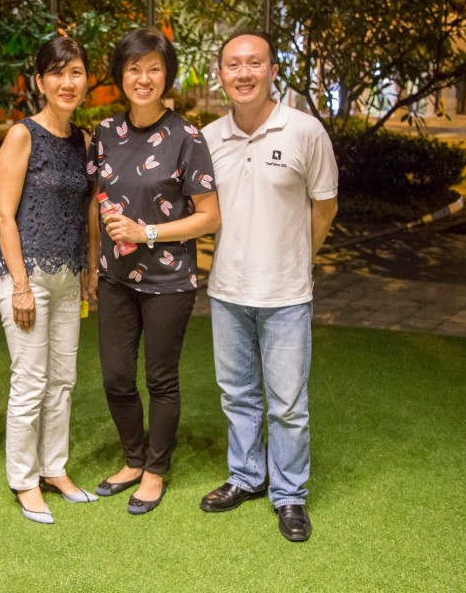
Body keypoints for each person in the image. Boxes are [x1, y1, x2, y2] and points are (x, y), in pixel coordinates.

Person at [199, 30, 338, 542]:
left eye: (254, 63)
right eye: (233, 65)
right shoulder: (208, 138)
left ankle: (290, 494)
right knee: (237, 395)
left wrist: (298, 258)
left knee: (287, 404)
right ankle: (246, 476)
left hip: (285, 295)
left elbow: (325, 206)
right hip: (227, 291)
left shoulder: (304, 131)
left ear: (273, 71)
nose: (244, 73)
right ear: (220, 75)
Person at [88, 28, 220, 515]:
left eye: (154, 69)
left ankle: (155, 470)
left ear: (167, 75)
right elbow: (95, 203)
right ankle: (133, 458)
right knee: (116, 377)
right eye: (133, 69)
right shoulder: (104, 133)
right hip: (114, 278)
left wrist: (146, 232)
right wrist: (93, 262)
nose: (143, 79)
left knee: (161, 379)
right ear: (120, 75)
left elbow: (209, 217)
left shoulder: (188, 137)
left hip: (168, 282)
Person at [0, 36, 99, 525]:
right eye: (57, 73)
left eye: (75, 72)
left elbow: (88, 211)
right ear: (40, 81)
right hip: (28, 275)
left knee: (63, 381)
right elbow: (3, 214)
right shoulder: (22, 135)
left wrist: (89, 268)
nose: (67, 82)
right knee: (31, 381)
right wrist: (19, 284)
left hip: (68, 276)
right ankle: (24, 479)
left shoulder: (84, 141)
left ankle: (54, 468)